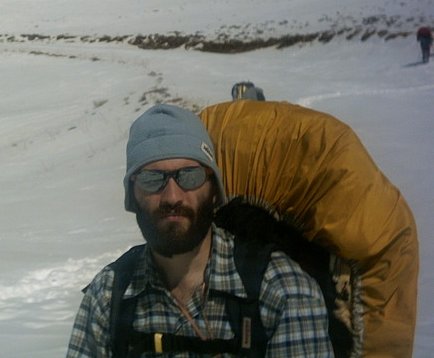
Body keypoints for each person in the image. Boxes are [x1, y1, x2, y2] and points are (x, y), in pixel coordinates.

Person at [66, 104, 333, 358]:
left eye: (190, 176)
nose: (172, 196)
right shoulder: (109, 294)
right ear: (133, 195)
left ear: (214, 190)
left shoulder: (282, 290)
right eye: (151, 179)